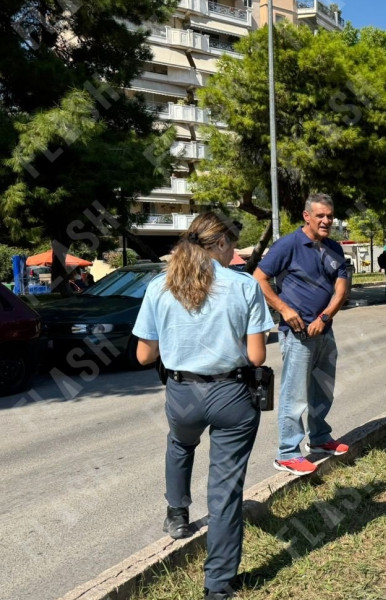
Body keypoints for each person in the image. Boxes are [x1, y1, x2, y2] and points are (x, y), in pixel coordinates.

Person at [132, 212, 274, 600]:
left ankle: (177, 515)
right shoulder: (244, 286)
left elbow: (145, 355)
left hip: (182, 394)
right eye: (234, 247)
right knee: (225, 490)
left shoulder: (160, 286)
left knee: (180, 444)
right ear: (223, 243)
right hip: (231, 395)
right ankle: (217, 586)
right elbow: (257, 356)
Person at [253, 192, 350, 476]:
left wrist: (325, 317)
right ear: (306, 216)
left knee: (322, 390)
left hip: (324, 330)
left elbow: (342, 288)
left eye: (330, 216)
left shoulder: (334, 248)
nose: (326, 221)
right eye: (320, 215)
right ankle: (286, 452)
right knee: (295, 395)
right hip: (297, 334)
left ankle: (319, 439)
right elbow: (259, 278)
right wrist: (284, 310)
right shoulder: (289, 245)